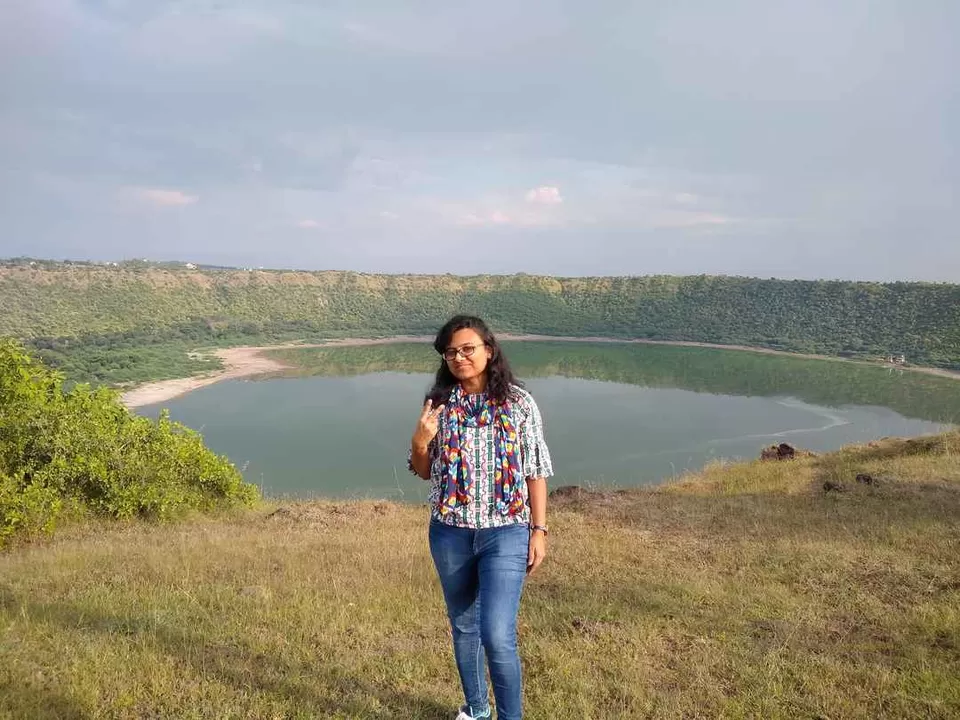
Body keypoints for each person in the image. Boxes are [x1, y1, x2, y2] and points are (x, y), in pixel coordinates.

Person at [409, 315, 553, 720]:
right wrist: (420, 440)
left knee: (497, 634)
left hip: (505, 530)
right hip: (450, 531)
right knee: (464, 627)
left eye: (467, 348)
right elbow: (424, 470)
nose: (459, 357)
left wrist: (538, 530)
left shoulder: (519, 402)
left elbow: (535, 469)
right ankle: (476, 709)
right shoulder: (438, 404)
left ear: (489, 350)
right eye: (450, 352)